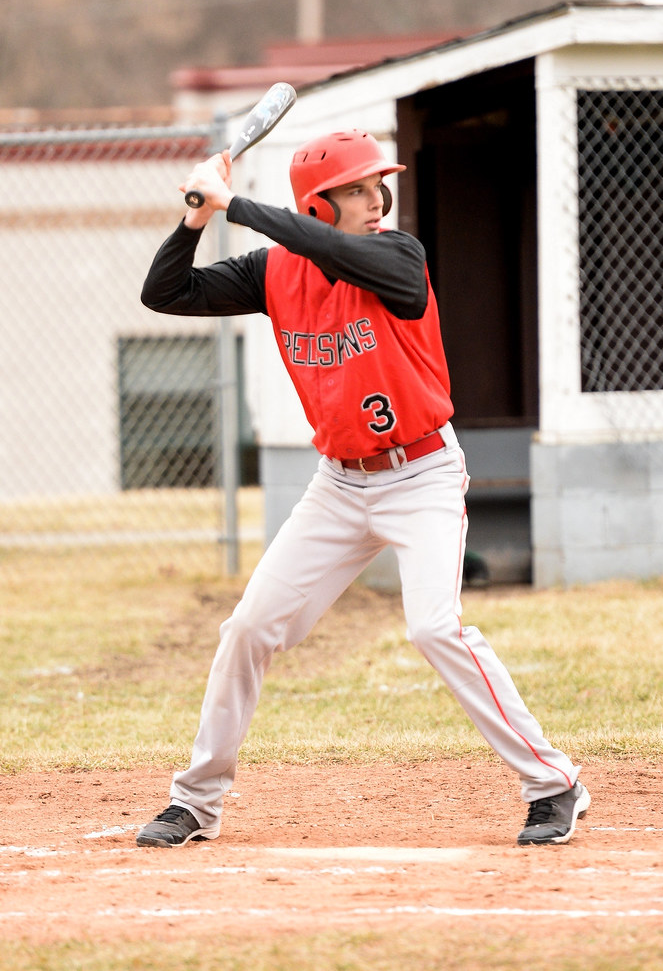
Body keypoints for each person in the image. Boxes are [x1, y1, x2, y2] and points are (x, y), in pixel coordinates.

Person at [136, 129, 590, 849]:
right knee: (248, 628)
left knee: (433, 626)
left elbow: (343, 255)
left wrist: (237, 203)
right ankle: (195, 801)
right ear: (316, 206)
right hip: (337, 486)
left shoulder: (396, 256)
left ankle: (552, 781)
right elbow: (164, 293)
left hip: (421, 474)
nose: (376, 199)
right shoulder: (273, 271)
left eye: (377, 184)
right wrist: (197, 216)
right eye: (355, 189)